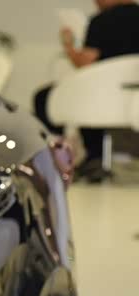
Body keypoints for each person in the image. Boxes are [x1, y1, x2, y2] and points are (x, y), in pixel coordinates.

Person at [33, 0, 139, 181]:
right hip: (132, 96)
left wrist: (69, 46)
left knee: (44, 98)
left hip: (98, 94)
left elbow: (85, 63)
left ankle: (70, 159)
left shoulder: (102, 21)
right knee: (86, 94)